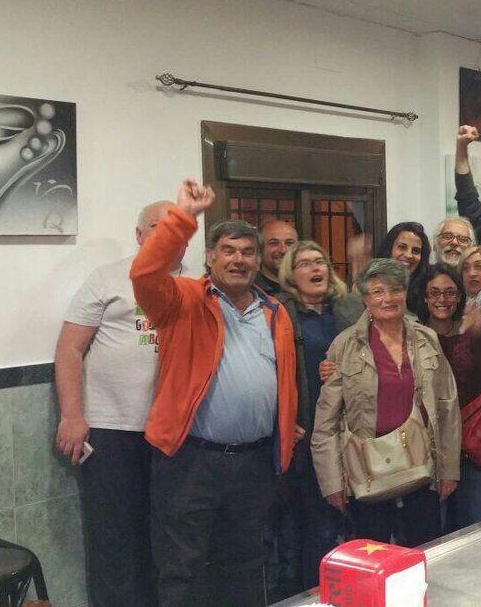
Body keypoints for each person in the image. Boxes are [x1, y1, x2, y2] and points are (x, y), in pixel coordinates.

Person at [130, 180, 299, 607]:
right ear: (209, 257)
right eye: (228, 250)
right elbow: (145, 273)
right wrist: (183, 218)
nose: (238, 260)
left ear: (259, 261)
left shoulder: (275, 312)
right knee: (182, 569)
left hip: (254, 464)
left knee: (244, 565)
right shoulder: (183, 299)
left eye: (247, 252)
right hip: (191, 462)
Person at [53, 200, 178, 607]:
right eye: (155, 226)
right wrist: (72, 415)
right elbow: (70, 349)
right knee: (115, 541)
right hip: (111, 431)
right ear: (139, 235)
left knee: (165, 537)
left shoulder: (195, 284)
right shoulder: (108, 278)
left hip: (174, 434)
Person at [312, 259, 461, 546]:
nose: (387, 299)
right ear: (365, 299)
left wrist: (449, 470)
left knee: (424, 553)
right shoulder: (345, 345)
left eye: (395, 290)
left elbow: (447, 407)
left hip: (421, 467)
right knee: (374, 556)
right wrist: (331, 482)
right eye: (378, 292)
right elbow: (326, 423)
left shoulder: (427, 339)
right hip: (367, 471)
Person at [276, 241, 363, 589]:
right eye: (306, 263)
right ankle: (313, 593)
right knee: (315, 525)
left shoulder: (347, 309)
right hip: (308, 433)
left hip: (351, 431)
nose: (316, 269)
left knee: (351, 520)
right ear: (290, 275)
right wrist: (282, 419)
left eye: (321, 262)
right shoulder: (281, 313)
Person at [417, 263, 481, 530]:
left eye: (450, 293)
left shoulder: (477, 334)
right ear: (425, 297)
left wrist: (475, 337)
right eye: (434, 293)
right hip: (428, 449)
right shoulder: (412, 336)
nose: (442, 300)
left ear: (460, 296)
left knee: (475, 527)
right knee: (431, 530)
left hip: (470, 446)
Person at [376, 221, 431, 314]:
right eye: (402, 247)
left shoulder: (428, 291)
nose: (409, 255)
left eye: (416, 251)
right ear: (389, 249)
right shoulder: (371, 284)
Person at [256, 219, 298, 295]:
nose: (283, 250)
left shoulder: (307, 287)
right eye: (273, 243)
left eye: (289, 243)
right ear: (260, 249)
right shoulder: (251, 291)